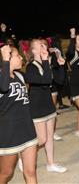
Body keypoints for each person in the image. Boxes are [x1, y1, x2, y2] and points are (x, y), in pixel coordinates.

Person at [25, 39, 67, 173]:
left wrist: (61, 66)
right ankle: (24, 155)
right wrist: (46, 62)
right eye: (40, 45)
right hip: (37, 106)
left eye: (44, 45)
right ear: (34, 51)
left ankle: (51, 163)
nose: (44, 46)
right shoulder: (31, 66)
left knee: (49, 137)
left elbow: (59, 81)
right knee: (41, 139)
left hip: (48, 104)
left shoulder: (47, 63)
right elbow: (45, 81)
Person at [0, 45, 38, 184]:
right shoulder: (1, 77)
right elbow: (3, 87)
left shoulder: (20, 76)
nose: (21, 57)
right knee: (6, 173)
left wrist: (43, 59)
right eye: (17, 55)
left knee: (31, 171)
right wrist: (5, 60)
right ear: (8, 58)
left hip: (27, 129)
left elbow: (43, 79)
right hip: (9, 132)